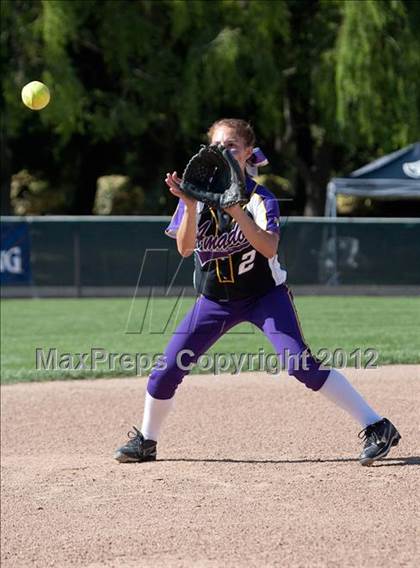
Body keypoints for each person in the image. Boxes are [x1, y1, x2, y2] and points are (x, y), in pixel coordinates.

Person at [114, 118, 401, 466]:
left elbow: (268, 248)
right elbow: (185, 249)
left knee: (299, 364)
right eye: (217, 145)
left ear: (248, 152)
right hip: (214, 301)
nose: (224, 151)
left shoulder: (260, 198)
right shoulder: (196, 198)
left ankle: (378, 426)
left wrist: (236, 209)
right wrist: (189, 205)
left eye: (232, 145)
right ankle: (147, 441)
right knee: (168, 369)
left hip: (264, 296)